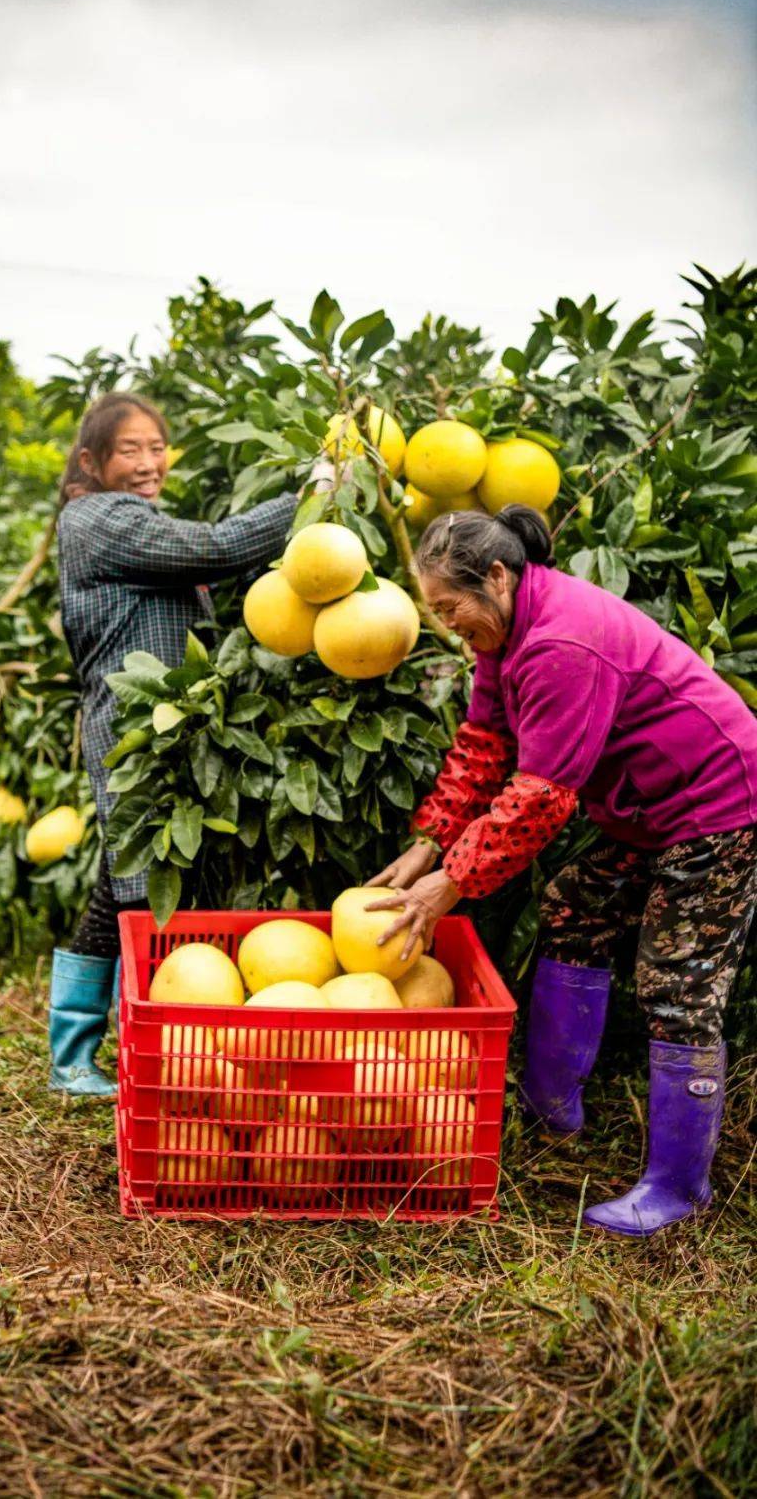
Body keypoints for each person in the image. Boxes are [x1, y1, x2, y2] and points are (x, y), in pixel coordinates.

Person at [367, 505, 757, 1237]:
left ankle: (679, 1186)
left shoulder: (560, 643)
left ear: (497, 575)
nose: (451, 624)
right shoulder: (503, 635)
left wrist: (449, 883)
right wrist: (428, 842)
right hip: (647, 809)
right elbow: (484, 745)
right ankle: (552, 1111)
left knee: (679, 980)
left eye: (452, 608)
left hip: (718, 802)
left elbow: (540, 800)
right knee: (574, 903)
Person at [51, 390, 316, 1096]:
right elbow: (217, 546)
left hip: (169, 734)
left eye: (157, 447)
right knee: (139, 893)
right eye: (130, 450)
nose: (149, 463)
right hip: (138, 733)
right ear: (92, 461)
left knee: (127, 882)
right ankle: (135, 1053)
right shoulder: (100, 519)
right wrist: (314, 496)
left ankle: (82, 1051)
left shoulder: (133, 520)